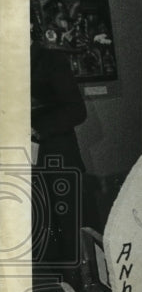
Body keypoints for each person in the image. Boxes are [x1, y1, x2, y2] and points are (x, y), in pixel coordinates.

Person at [30, 35, 94, 276]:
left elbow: (77, 110)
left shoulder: (51, 60)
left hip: (59, 158)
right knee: (43, 229)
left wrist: (37, 129)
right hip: (30, 163)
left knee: (70, 230)